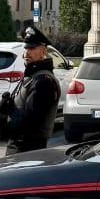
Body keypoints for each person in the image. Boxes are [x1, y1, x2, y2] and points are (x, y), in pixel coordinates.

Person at [6, 25, 61, 154]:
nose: (27, 52)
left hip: (29, 148)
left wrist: (10, 112)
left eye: (32, 48)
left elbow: (31, 121)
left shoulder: (43, 81)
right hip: (19, 146)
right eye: (26, 48)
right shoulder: (32, 77)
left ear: (43, 51)